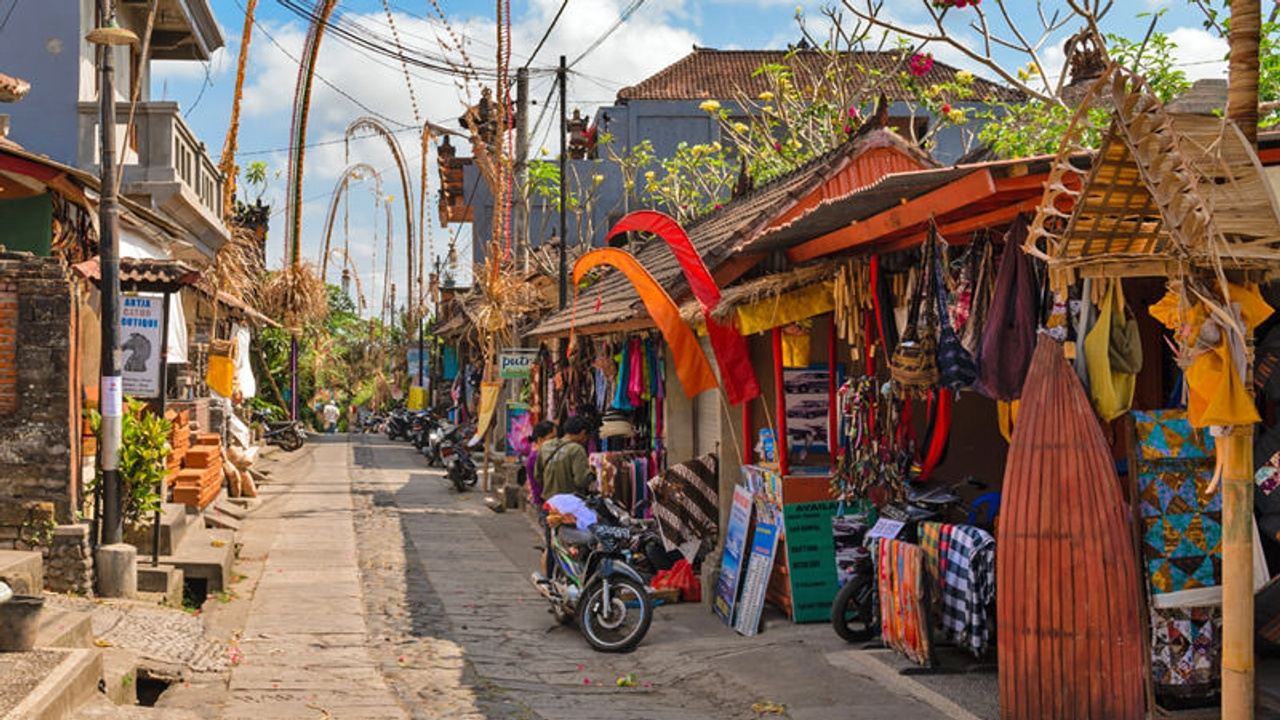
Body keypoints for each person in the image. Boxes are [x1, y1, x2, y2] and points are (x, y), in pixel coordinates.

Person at [533, 416, 593, 583]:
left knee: (552, 544)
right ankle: (571, 581)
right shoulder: (577, 450)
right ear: (582, 433)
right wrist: (593, 475)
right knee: (574, 544)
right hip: (569, 507)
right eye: (586, 436)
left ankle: (550, 580)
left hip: (549, 504)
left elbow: (538, 475)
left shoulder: (545, 447)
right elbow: (581, 480)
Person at [524, 421, 557, 508]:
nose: (556, 441)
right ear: (540, 440)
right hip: (542, 499)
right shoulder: (536, 456)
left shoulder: (540, 453)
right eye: (552, 438)